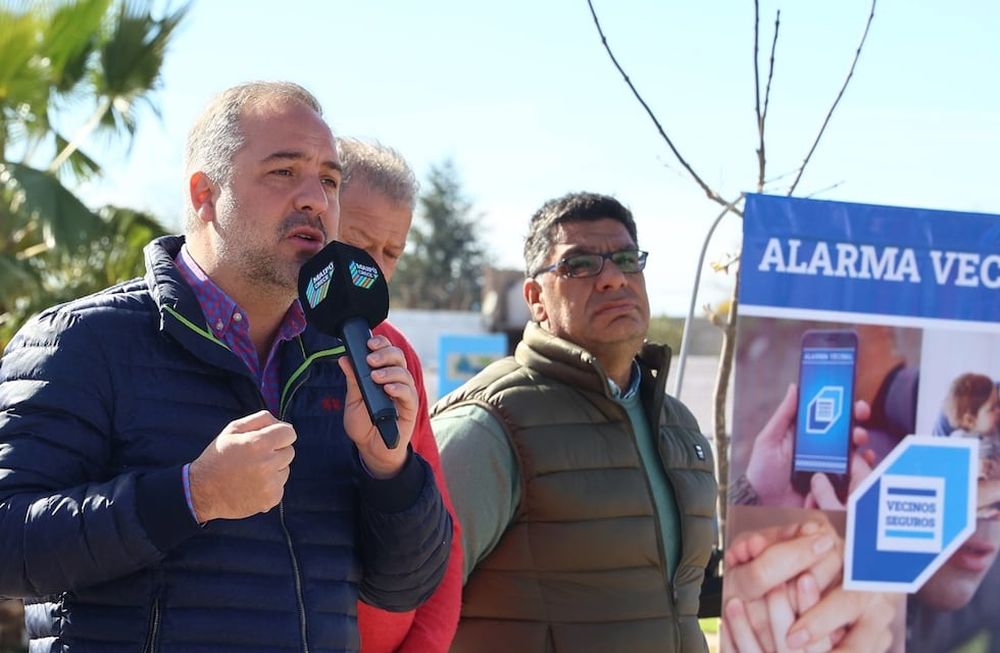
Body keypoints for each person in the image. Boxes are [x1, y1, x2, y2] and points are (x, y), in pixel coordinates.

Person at [0, 81, 451, 652]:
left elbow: (405, 585)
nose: (316, 198)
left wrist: (389, 468)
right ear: (204, 193)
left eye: (331, 180)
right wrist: (192, 495)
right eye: (284, 172)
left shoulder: (344, 356)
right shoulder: (84, 341)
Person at [431, 191, 718, 653]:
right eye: (579, 265)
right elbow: (410, 603)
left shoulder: (677, 425)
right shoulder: (489, 424)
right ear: (535, 298)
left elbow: (673, 594)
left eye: (626, 259)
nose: (612, 280)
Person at [337, 136, 462, 653]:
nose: (377, 269)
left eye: (391, 253)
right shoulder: (261, 340)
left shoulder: (393, 351)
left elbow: (442, 533)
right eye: (361, 245)